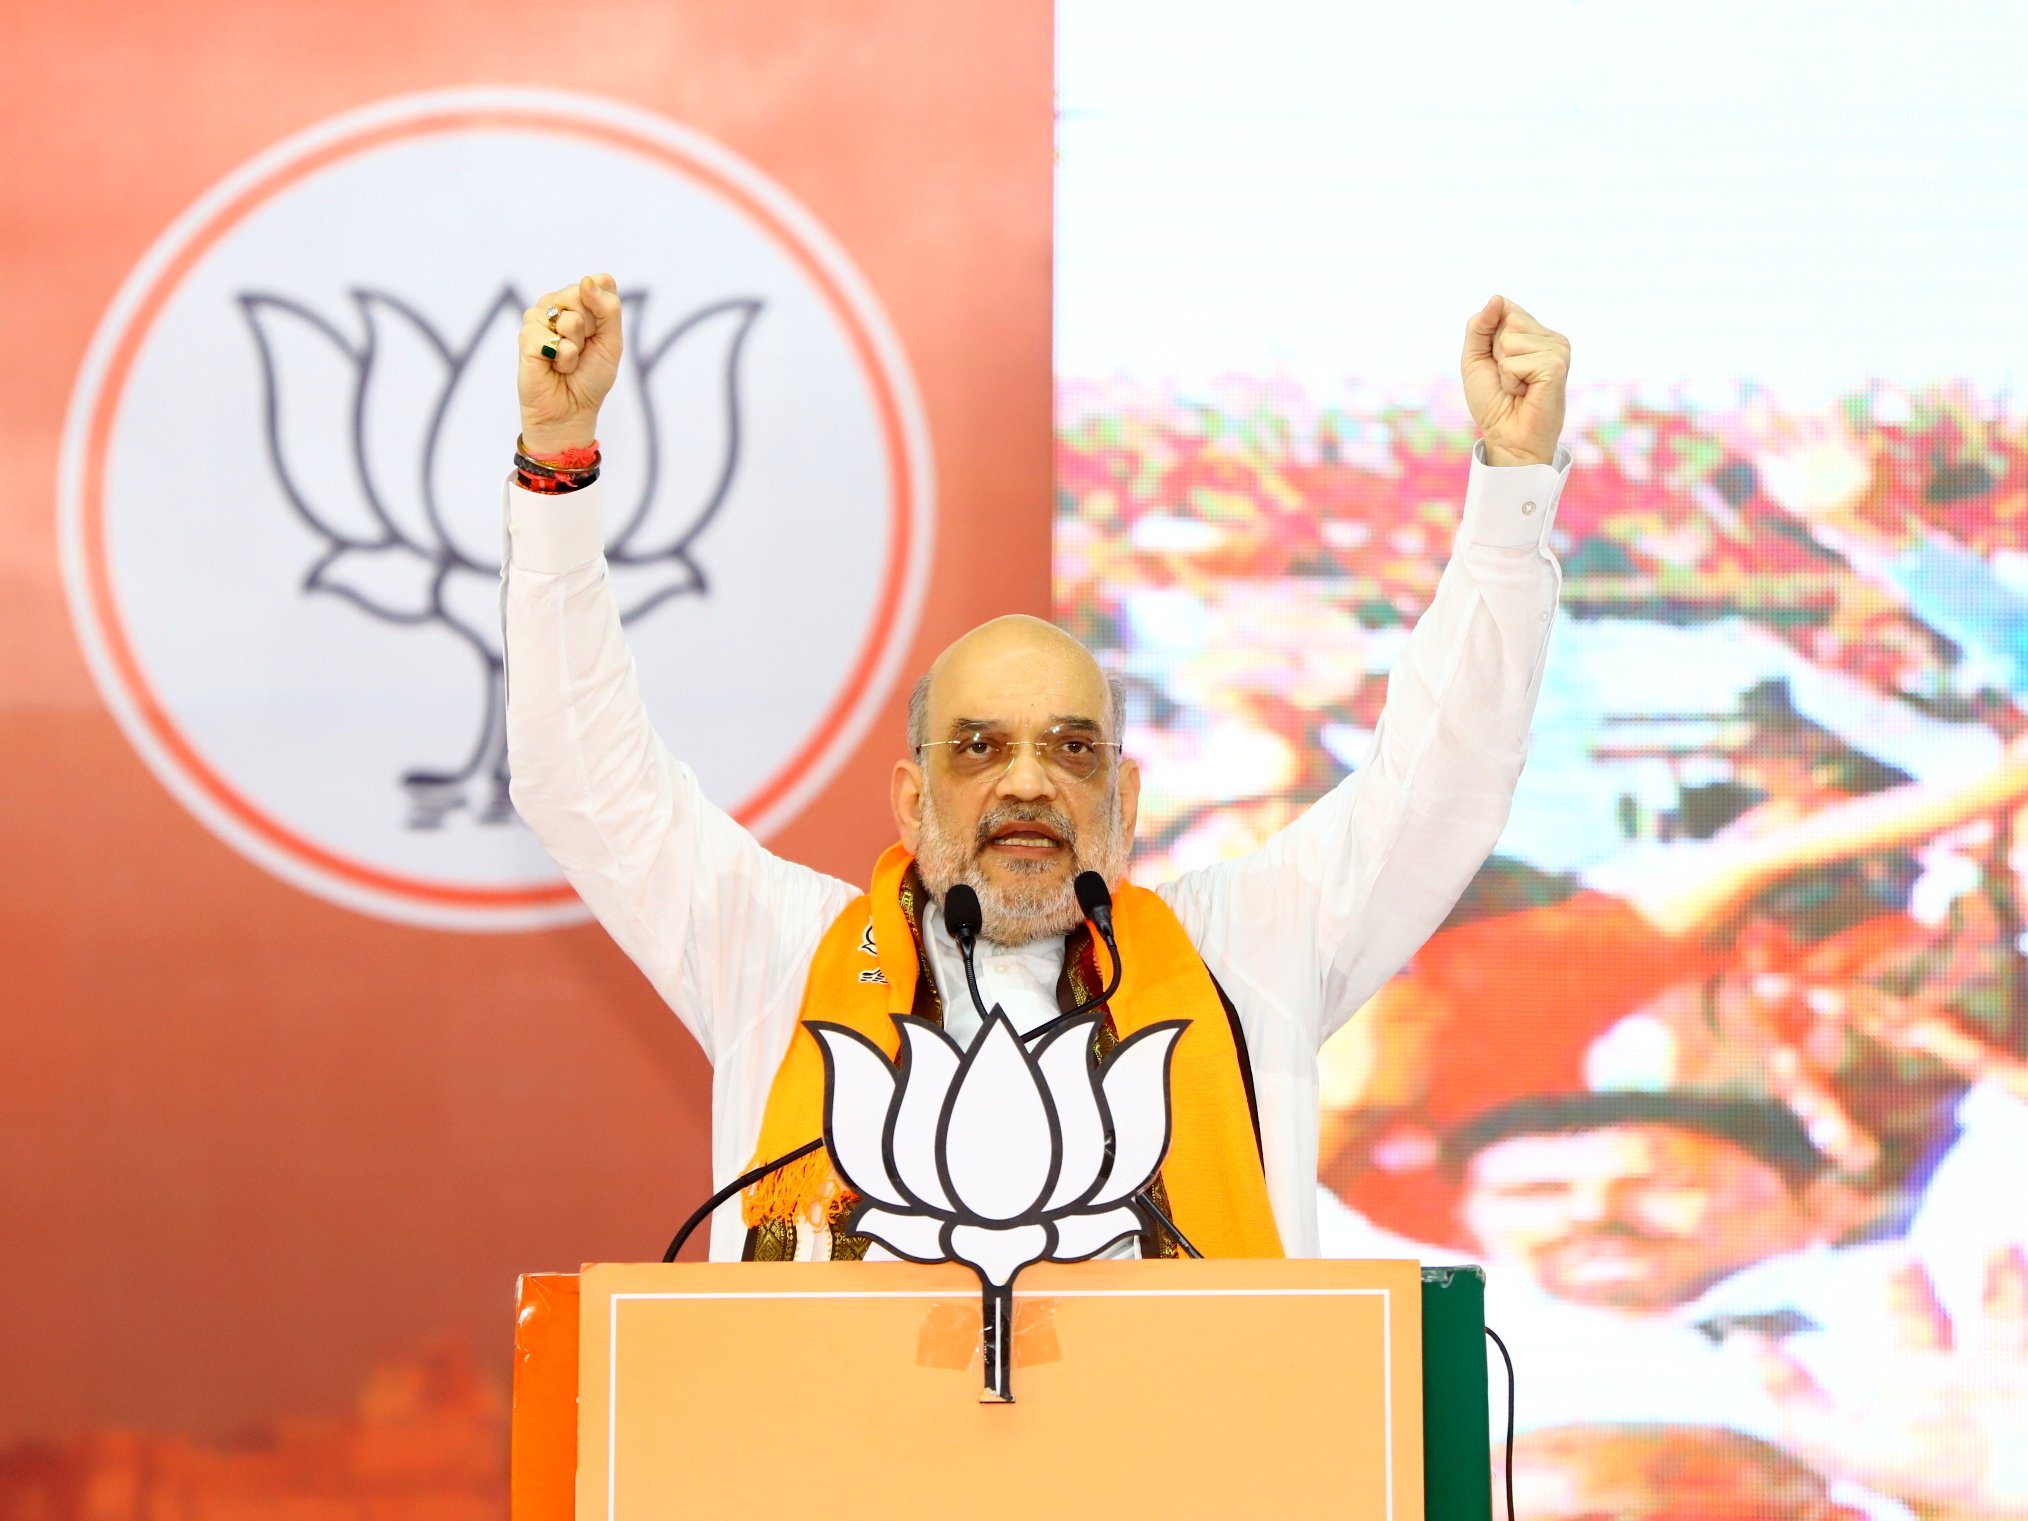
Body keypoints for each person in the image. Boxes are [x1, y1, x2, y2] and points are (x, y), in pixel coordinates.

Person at [501, 273, 1571, 1261]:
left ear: (1127, 798)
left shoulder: (1250, 954)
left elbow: (1446, 778)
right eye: (978, 748)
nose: (1025, 783)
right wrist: (556, 472)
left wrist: (1512, 499)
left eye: (1071, 749)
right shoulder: (773, 955)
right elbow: (584, 780)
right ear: (912, 798)